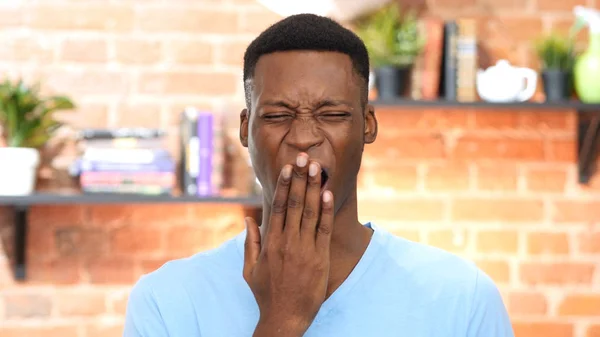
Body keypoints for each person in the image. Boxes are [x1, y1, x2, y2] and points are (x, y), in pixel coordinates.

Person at [123, 13, 514, 337]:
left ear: (367, 125)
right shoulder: (167, 301)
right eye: (277, 116)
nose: (304, 138)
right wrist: (283, 319)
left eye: (332, 115)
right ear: (246, 130)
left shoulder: (462, 298)